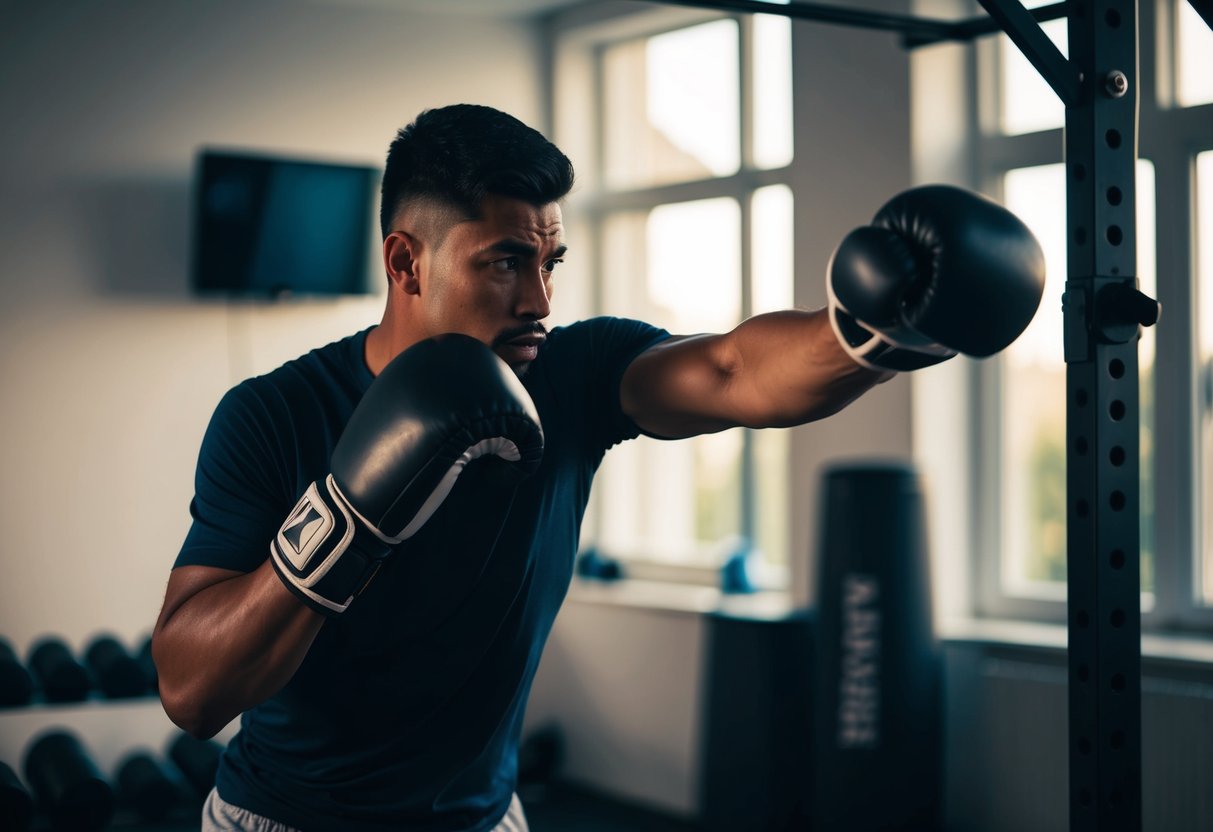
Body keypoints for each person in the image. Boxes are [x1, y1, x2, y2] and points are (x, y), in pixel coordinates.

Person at [152, 104, 1044, 832]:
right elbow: (190, 693)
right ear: (404, 262)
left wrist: (871, 331)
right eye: (504, 262)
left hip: (484, 819)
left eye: (549, 262)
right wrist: (346, 520)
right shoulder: (271, 414)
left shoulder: (568, 376)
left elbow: (734, 370)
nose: (538, 300)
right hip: (287, 820)